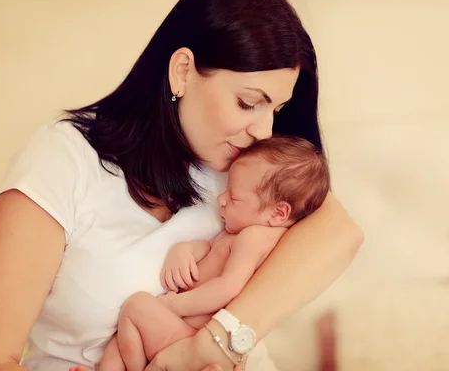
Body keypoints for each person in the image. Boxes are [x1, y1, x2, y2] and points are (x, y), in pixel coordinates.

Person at [0, 0, 364, 371]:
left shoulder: (249, 166)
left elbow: (341, 231)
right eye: (247, 102)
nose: (264, 130)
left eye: (275, 110)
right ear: (182, 71)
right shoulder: (63, 160)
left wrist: (216, 341)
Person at [69, 135, 331, 371]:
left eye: (234, 197)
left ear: (278, 213)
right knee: (121, 336)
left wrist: (172, 304)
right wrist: (184, 251)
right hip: (185, 333)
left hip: (193, 336)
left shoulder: (255, 237)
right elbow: (208, 249)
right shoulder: (240, 231)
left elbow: (228, 288)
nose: (221, 199)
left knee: (136, 305)